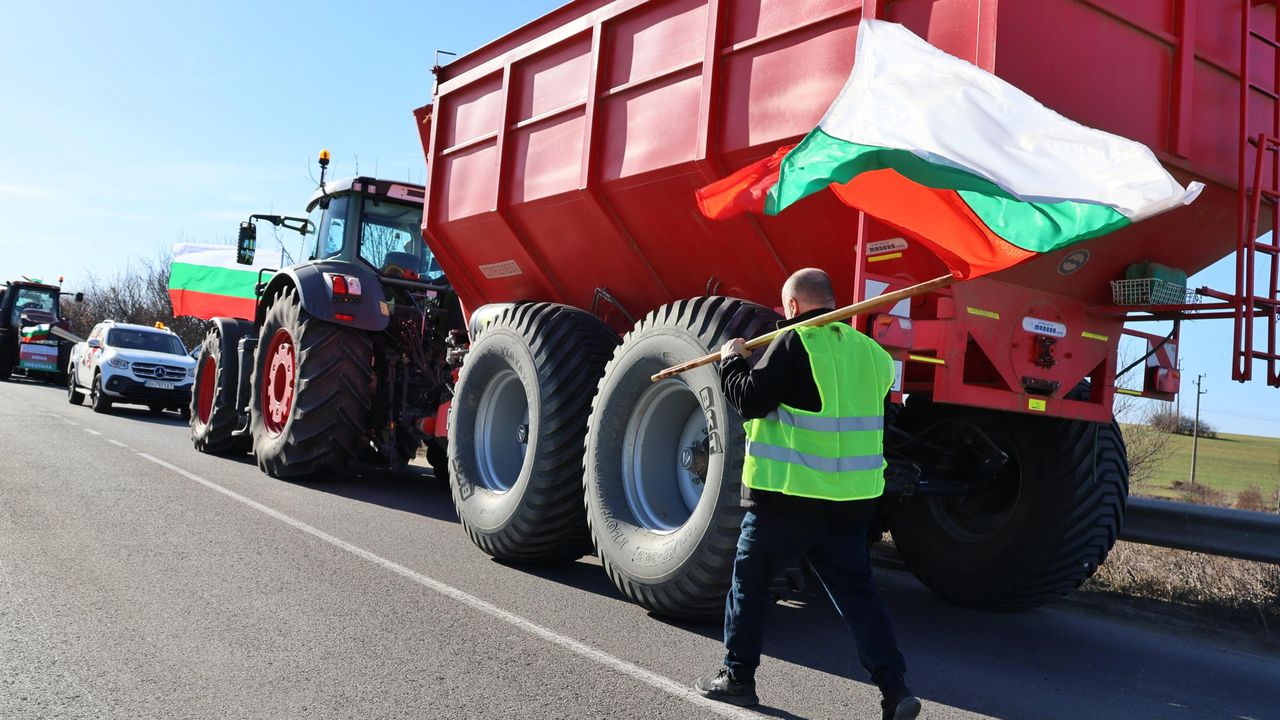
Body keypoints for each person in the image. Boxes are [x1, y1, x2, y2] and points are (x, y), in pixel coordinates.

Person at [693, 268, 920, 720]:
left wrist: (730, 361)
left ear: (793, 306)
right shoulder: (873, 355)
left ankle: (737, 677)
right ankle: (895, 690)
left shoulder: (793, 342)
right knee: (858, 597)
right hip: (851, 503)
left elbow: (751, 400)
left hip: (788, 498)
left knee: (750, 585)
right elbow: (882, 422)